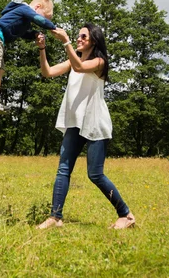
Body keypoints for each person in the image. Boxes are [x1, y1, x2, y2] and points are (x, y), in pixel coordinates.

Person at [35, 23, 135, 229]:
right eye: (77, 36)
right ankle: (55, 217)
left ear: (93, 41)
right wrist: (42, 49)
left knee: (95, 174)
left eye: (83, 36)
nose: (78, 38)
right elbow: (47, 72)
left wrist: (66, 41)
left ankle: (126, 215)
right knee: (63, 169)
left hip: (95, 124)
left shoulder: (99, 62)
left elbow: (81, 67)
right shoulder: (74, 61)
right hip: (75, 123)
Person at [0, 0, 56, 114]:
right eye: (44, 16)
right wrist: (53, 28)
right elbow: (38, 19)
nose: (40, 21)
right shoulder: (24, 9)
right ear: (37, 7)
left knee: (0, 69)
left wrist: (35, 34)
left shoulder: (24, 20)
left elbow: (24, 34)